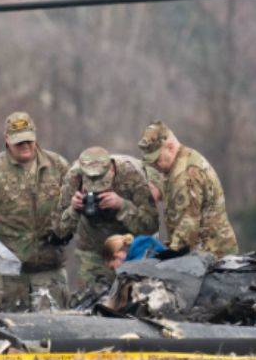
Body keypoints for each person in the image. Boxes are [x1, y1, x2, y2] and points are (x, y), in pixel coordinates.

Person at [0, 111, 71, 311]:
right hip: (6, 273)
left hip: (49, 269)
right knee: (8, 331)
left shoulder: (58, 166)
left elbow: (73, 204)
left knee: (54, 333)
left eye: (29, 140)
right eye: (19, 142)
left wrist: (66, 229)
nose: (25, 146)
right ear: (7, 141)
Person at [51, 146, 157, 290]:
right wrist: (74, 210)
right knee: (90, 303)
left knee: (136, 301)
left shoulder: (132, 174)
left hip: (131, 249)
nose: (98, 192)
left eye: (103, 186)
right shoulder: (74, 177)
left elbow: (151, 226)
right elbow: (59, 231)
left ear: (112, 170)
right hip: (93, 250)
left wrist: (122, 205)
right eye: (92, 190)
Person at [137, 120, 238, 257]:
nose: (155, 164)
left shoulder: (185, 173)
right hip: (203, 251)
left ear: (170, 147)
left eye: (157, 158)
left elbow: (189, 221)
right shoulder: (179, 163)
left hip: (212, 253)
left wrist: (172, 252)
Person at [101, 233, 169, 271]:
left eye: (113, 267)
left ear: (117, 255)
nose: (116, 270)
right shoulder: (144, 241)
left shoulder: (135, 263)